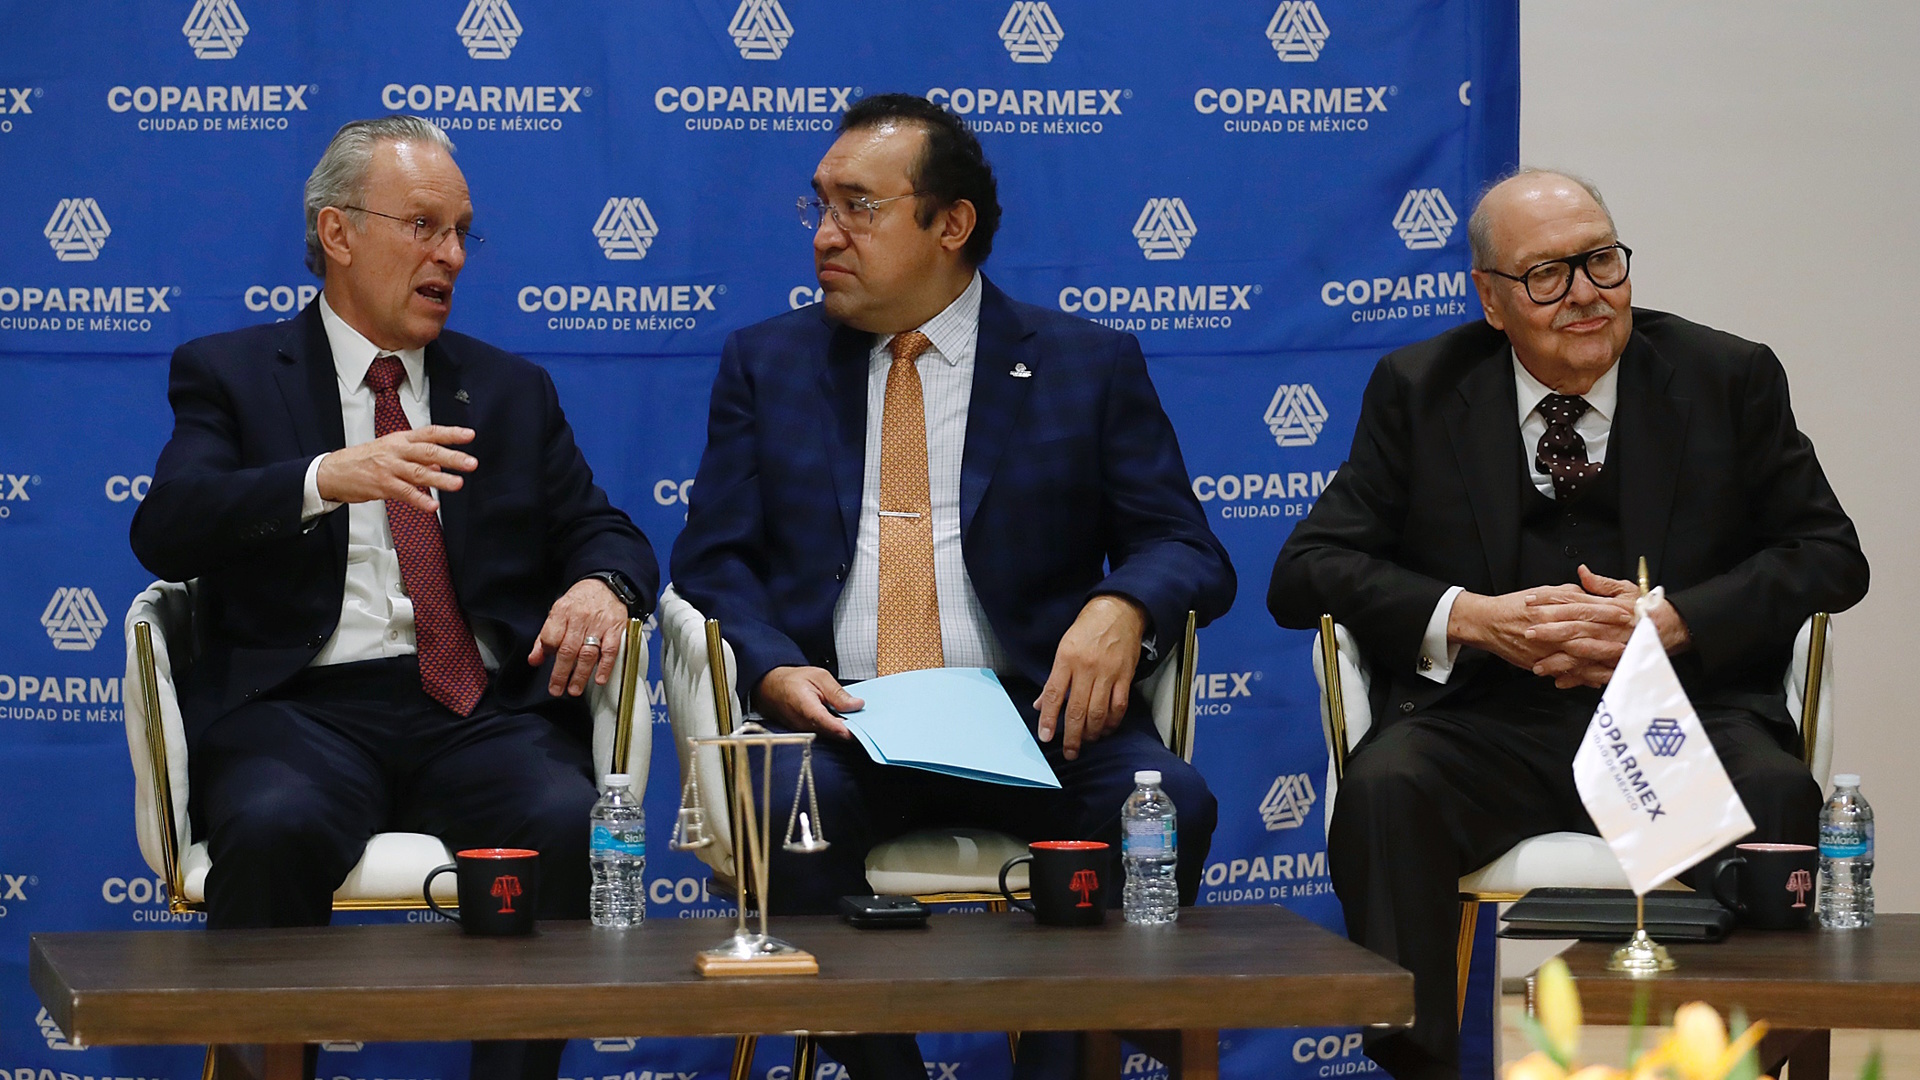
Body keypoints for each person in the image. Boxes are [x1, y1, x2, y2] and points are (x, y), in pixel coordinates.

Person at [670, 93, 1234, 1080]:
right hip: (840, 718)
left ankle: (1060, 1067)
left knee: (1168, 801)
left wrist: (1123, 605)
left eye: (858, 207)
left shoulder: (1084, 364)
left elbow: (1187, 548)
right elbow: (713, 559)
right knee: (781, 798)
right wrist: (772, 669)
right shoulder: (769, 362)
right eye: (819, 206)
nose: (825, 234)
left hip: (1033, 718)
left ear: (951, 223)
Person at [1267, 168, 1869, 1080]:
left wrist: (1674, 620)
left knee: (1776, 796)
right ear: (1490, 300)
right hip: (1487, 727)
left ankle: (1738, 1058)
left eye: (1601, 261)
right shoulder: (1420, 388)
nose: (1585, 293)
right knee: (1386, 790)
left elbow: (1830, 556)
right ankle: (1420, 1064)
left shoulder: (1726, 375)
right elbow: (1304, 572)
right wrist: (1473, 618)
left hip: (1675, 720)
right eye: (1547, 274)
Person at [129, 115, 657, 1080]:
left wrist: (602, 583)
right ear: (338, 232)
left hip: (474, 712)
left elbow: (604, 528)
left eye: (460, 233)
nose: (449, 256)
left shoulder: (507, 389)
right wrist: (324, 477)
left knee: (557, 817)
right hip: (299, 709)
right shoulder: (231, 373)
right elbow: (167, 526)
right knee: (274, 826)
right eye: (423, 227)